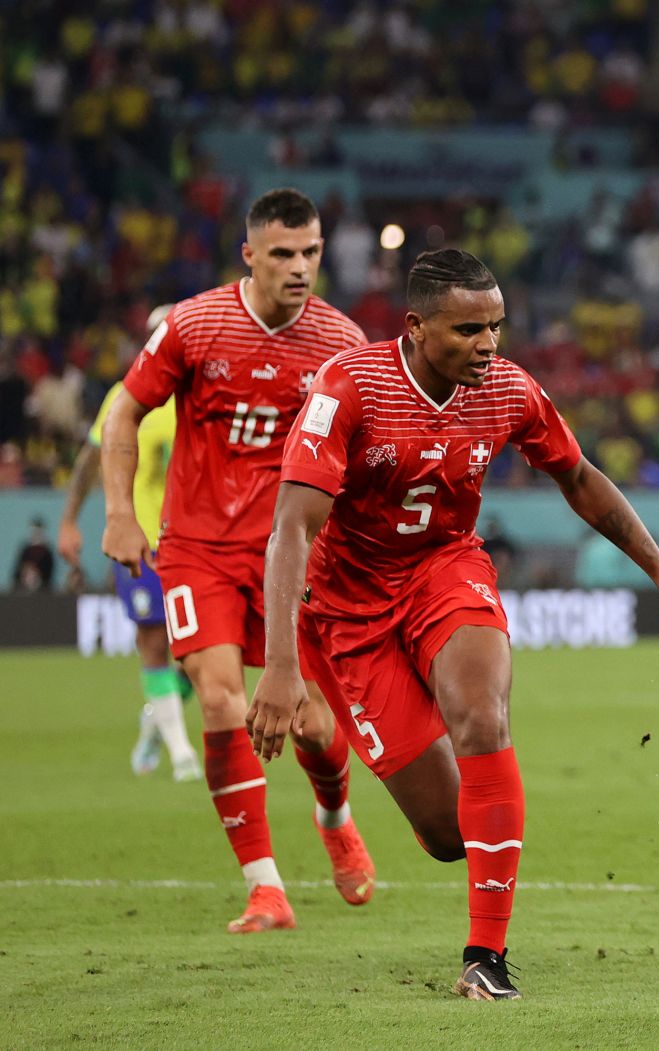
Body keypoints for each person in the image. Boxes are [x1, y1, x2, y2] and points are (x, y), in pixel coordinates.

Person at [249, 249, 659, 1001]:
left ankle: (485, 957)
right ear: (415, 328)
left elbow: (578, 477)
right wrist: (280, 664)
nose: (489, 344)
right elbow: (291, 531)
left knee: (481, 714)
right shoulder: (350, 388)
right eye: (469, 329)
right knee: (446, 834)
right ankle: (335, 781)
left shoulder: (506, 389)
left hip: (446, 569)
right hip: (347, 610)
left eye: (497, 326)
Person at [100, 188, 378, 934]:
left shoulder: (341, 344)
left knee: (314, 720)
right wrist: (120, 513)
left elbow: (364, 457)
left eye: (311, 252)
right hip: (195, 547)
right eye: (283, 253)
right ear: (248, 254)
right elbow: (124, 410)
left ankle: (335, 814)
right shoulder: (194, 326)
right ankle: (265, 886)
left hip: (291, 554)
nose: (299, 267)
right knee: (221, 696)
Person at [59, 303, 200, 780]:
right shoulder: (129, 396)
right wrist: (70, 522)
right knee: (153, 641)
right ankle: (182, 753)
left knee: (201, 660)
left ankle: (155, 725)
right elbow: (89, 459)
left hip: (200, 543)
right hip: (141, 542)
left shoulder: (205, 398)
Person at [12, 518, 55, 592]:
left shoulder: (47, 551)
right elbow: (17, 569)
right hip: (22, 588)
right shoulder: (26, 550)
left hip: (43, 588)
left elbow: (50, 572)